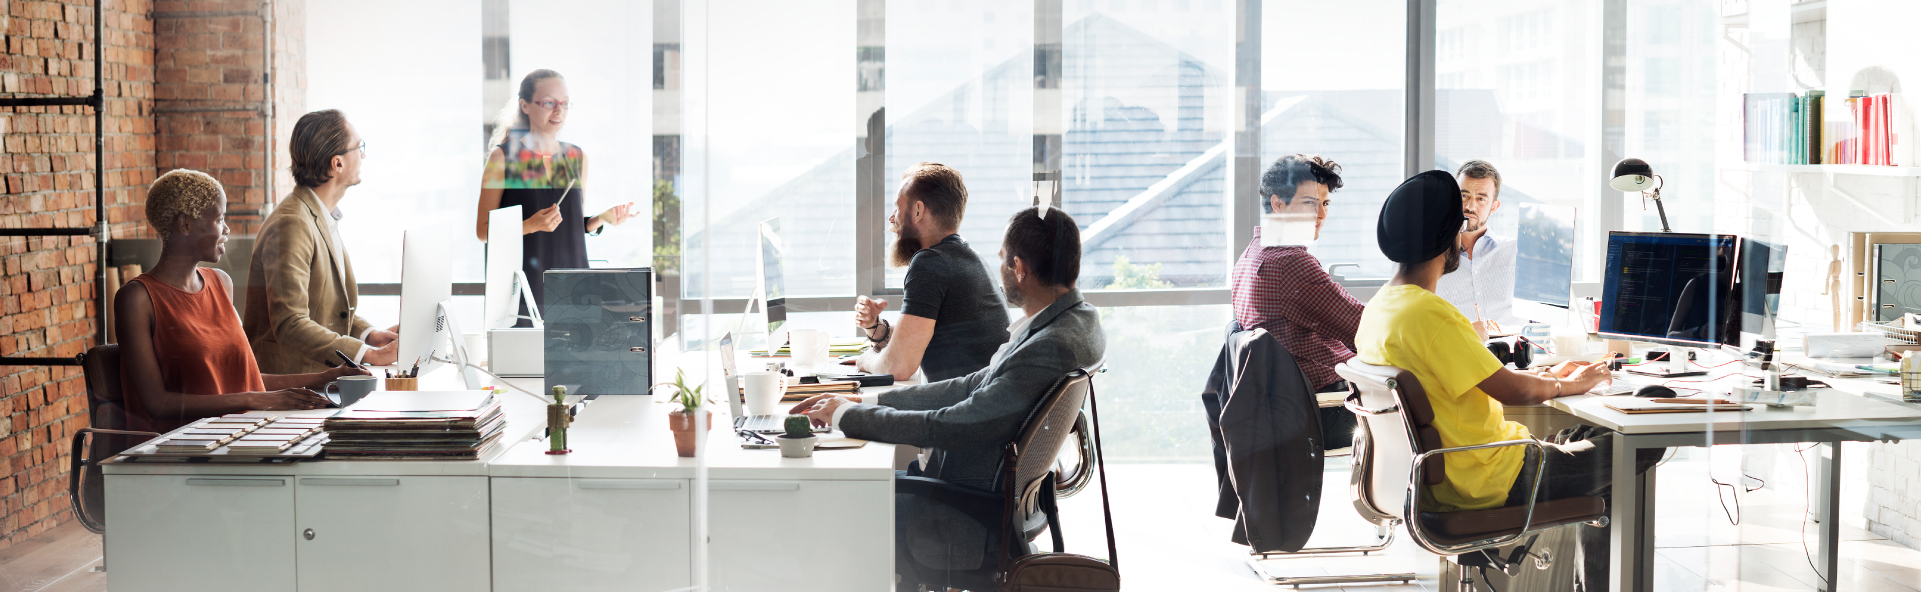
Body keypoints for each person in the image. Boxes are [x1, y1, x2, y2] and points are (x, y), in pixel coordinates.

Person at [1355, 170, 1661, 592]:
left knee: (1592, 432)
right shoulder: (1431, 314)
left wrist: (1551, 375)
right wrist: (1570, 383)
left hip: (1438, 479)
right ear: (1448, 243)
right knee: (1639, 439)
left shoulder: (1381, 308)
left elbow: (1478, 376)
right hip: (1493, 480)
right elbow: (1513, 389)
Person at [791, 206, 1103, 587]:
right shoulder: (1076, 321)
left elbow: (958, 423)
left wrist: (845, 419)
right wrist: (865, 403)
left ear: (1020, 269)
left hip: (963, 520)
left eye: (1003, 260)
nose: (999, 267)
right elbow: (971, 385)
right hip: (996, 500)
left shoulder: (1050, 345)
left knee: (829, 503)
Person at [119, 170, 366, 432]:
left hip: (236, 433)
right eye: (219, 219)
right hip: (178, 448)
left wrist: (325, 378)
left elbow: (244, 378)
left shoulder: (220, 283)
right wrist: (256, 400)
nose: (226, 229)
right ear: (185, 225)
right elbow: (158, 404)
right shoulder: (136, 299)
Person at [245, 109, 399, 372]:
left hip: (317, 379)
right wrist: (369, 355)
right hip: (291, 383)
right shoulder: (292, 222)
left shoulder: (319, 215)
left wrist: (369, 335)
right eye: (358, 147)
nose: (363, 155)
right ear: (337, 163)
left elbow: (324, 310)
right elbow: (290, 323)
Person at [475, 69, 637, 317]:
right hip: (523, 292)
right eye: (549, 102)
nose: (559, 110)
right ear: (525, 105)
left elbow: (571, 225)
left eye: (564, 103)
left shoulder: (576, 157)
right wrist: (530, 225)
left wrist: (601, 219)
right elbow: (483, 231)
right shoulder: (504, 158)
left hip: (575, 289)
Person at [1229, 154, 1360, 446]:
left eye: (1325, 204)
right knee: (1431, 399)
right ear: (1278, 204)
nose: (1321, 215)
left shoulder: (1251, 255)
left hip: (1282, 406)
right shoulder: (1291, 263)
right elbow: (1363, 328)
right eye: (1310, 203)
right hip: (1322, 409)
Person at [850, 162, 1011, 382]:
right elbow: (921, 332)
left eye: (897, 207)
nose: (892, 218)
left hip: (965, 409)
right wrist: (879, 329)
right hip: (983, 402)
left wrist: (866, 360)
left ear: (917, 211)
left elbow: (898, 367)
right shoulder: (968, 258)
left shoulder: (930, 263)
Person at [1434, 160, 1519, 338]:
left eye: (1481, 198)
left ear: (1494, 207)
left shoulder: (1515, 252)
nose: (1470, 207)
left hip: (1512, 354)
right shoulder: (1431, 257)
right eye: (1464, 196)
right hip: (1457, 352)